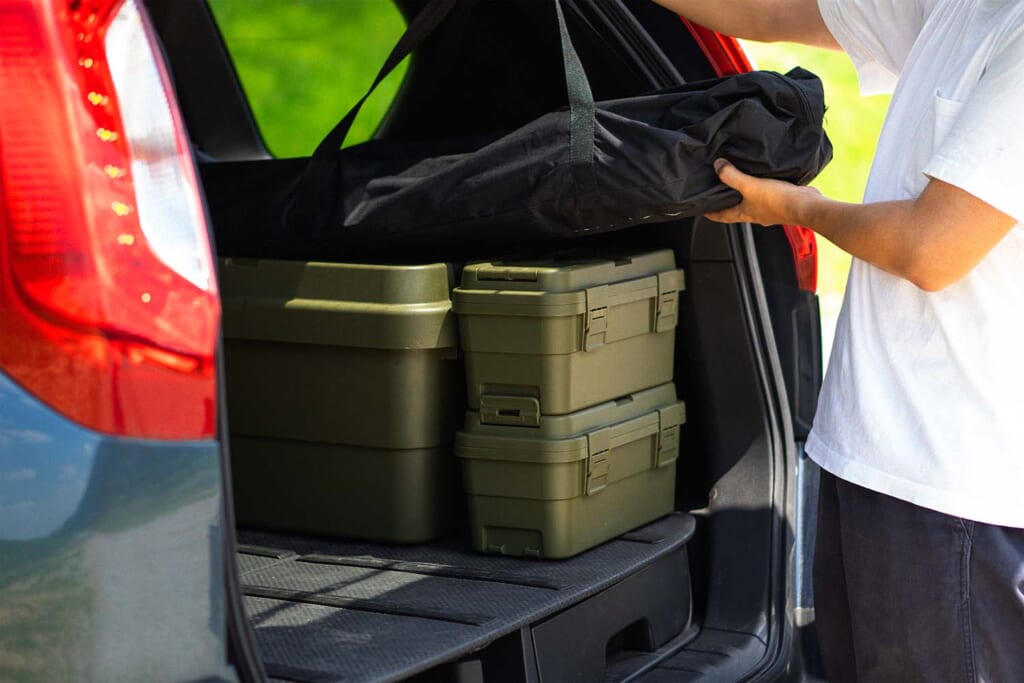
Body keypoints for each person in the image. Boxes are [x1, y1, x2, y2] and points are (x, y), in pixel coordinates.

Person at [652, 0, 1024, 680]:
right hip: (867, 462)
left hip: (956, 498)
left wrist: (795, 207)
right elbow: (766, 11)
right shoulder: (958, 8)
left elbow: (929, 247)